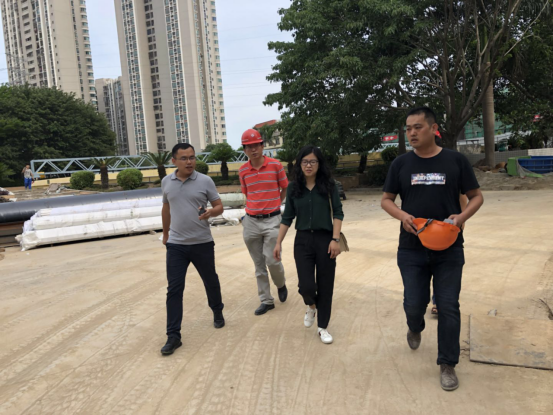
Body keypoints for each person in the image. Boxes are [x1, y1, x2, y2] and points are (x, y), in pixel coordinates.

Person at [381, 107, 484, 391]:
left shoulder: (456, 161)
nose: (411, 133)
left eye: (417, 127)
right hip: (411, 248)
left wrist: (460, 218)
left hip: (449, 248)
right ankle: (415, 326)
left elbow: (476, 196)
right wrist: (402, 216)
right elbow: (386, 199)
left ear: (433, 128)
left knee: (448, 305)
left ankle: (447, 363)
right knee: (414, 303)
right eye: (408, 129)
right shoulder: (400, 164)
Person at [160, 143, 226, 356]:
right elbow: (166, 208)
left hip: (202, 243)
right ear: (174, 161)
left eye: (192, 157)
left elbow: (219, 206)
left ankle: (217, 310)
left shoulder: (205, 181)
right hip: (176, 245)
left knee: (210, 280)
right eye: (184, 158)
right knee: (174, 289)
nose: (189, 162)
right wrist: (166, 234)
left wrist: (210, 213)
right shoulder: (166, 182)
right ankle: (173, 336)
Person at [274, 145, 344, 344]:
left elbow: (338, 213)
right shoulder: (294, 188)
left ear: (319, 164)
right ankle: (311, 306)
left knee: (326, 284)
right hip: (303, 240)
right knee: (306, 285)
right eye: (304, 162)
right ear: (299, 164)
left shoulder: (329, 186)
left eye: (313, 161)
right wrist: (278, 242)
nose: (308, 165)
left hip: (325, 240)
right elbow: (287, 217)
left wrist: (335, 240)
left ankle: (322, 327)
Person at [239, 129, 289, 315]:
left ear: (262, 146)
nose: (253, 150)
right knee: (259, 264)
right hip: (251, 221)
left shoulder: (275, 166)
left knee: (273, 260)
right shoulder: (243, 171)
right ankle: (266, 300)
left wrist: (276, 204)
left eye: (256, 145)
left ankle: (281, 284)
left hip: (272, 220)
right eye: (249, 147)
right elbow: (247, 193)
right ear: (244, 150)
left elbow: (285, 187)